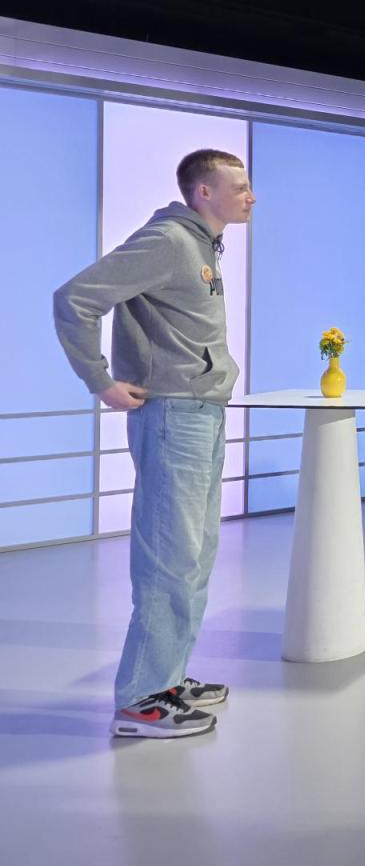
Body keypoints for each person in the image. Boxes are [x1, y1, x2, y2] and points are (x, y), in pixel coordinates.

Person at [53, 149, 254, 738]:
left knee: (195, 555)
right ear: (204, 193)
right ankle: (141, 700)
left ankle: (167, 678)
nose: (250, 196)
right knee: (169, 556)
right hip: (172, 415)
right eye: (239, 186)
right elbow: (74, 298)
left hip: (201, 412)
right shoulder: (168, 241)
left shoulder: (203, 245)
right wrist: (101, 381)